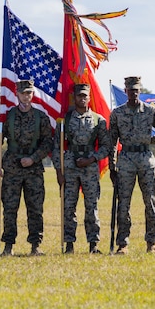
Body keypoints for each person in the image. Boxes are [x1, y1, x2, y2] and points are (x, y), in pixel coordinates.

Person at [109, 76, 155, 254]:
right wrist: (112, 167)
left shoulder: (151, 112)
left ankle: (151, 242)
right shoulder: (117, 113)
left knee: (150, 202)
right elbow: (112, 142)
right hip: (126, 159)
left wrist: (149, 141)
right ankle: (123, 243)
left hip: (145, 160)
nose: (133, 93)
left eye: (136, 89)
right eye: (130, 90)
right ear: (125, 91)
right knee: (123, 204)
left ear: (140, 91)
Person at [0, 79, 53, 256]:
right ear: (17, 94)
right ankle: (8, 246)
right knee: (10, 208)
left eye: (29, 93)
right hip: (12, 168)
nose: (26, 96)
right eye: (23, 93)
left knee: (35, 208)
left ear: (32, 94)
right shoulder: (7, 117)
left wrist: (33, 158)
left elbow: (48, 143)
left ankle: (35, 246)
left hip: (33, 169)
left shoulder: (40, 117)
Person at [52, 83, 110, 254]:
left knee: (91, 206)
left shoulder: (99, 120)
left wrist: (92, 159)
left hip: (90, 168)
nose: (82, 99)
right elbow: (56, 147)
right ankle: (69, 244)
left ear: (89, 98)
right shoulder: (64, 121)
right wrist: (58, 171)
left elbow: (106, 147)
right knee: (69, 207)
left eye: (85, 96)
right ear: (74, 98)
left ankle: (94, 244)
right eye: (79, 96)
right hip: (70, 168)